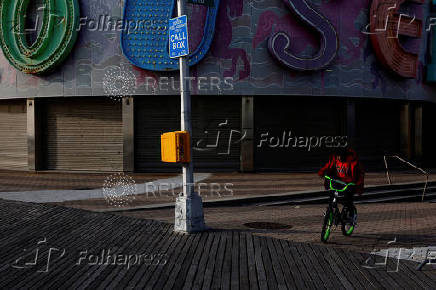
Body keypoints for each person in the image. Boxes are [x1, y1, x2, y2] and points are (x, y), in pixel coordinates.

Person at [318, 147, 365, 222]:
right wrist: (322, 172)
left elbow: (360, 174)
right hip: (338, 181)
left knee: (347, 199)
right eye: (337, 156)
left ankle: (351, 215)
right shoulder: (335, 158)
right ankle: (330, 211)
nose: (338, 158)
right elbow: (328, 165)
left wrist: (357, 184)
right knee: (332, 195)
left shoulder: (353, 161)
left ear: (344, 156)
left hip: (349, 183)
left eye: (340, 156)